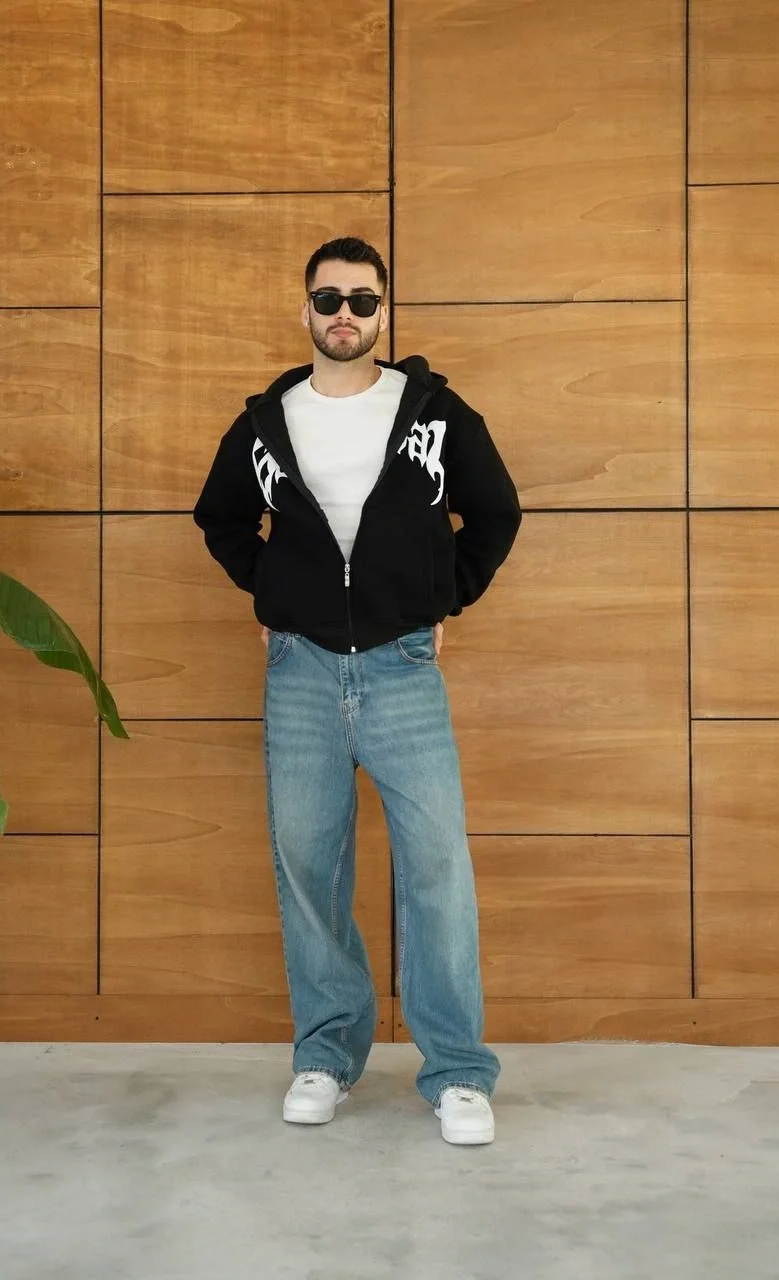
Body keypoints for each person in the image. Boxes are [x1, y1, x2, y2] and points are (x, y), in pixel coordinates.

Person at [193, 236, 522, 1145]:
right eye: (329, 298)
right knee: (308, 865)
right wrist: (275, 594)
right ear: (305, 309)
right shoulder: (267, 421)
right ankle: (326, 1055)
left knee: (438, 868)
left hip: (401, 668)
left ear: (384, 311)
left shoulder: (435, 415)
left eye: (363, 300)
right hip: (299, 671)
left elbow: (496, 511)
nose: (345, 314)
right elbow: (221, 518)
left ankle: (458, 1073)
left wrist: (440, 596)